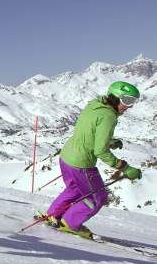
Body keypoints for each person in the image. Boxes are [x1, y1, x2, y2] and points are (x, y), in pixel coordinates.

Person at [44, 81, 142, 238]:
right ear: (116, 97)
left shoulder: (95, 105)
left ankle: (52, 215)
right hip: (81, 163)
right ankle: (70, 223)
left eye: (133, 102)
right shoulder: (109, 116)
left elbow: (88, 131)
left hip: (67, 157)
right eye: (127, 100)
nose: (129, 106)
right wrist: (125, 168)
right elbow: (100, 151)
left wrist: (110, 141)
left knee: (74, 190)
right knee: (97, 197)